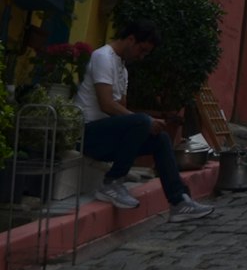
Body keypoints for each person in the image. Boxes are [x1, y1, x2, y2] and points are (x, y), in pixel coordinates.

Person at [74, 18, 214, 221]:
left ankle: (178, 201)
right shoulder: (102, 57)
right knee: (142, 121)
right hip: (88, 134)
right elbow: (106, 105)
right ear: (131, 39)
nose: (142, 56)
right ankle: (112, 182)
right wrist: (145, 121)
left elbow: (120, 109)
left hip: (107, 137)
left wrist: (152, 123)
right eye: (142, 50)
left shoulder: (122, 69)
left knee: (160, 139)